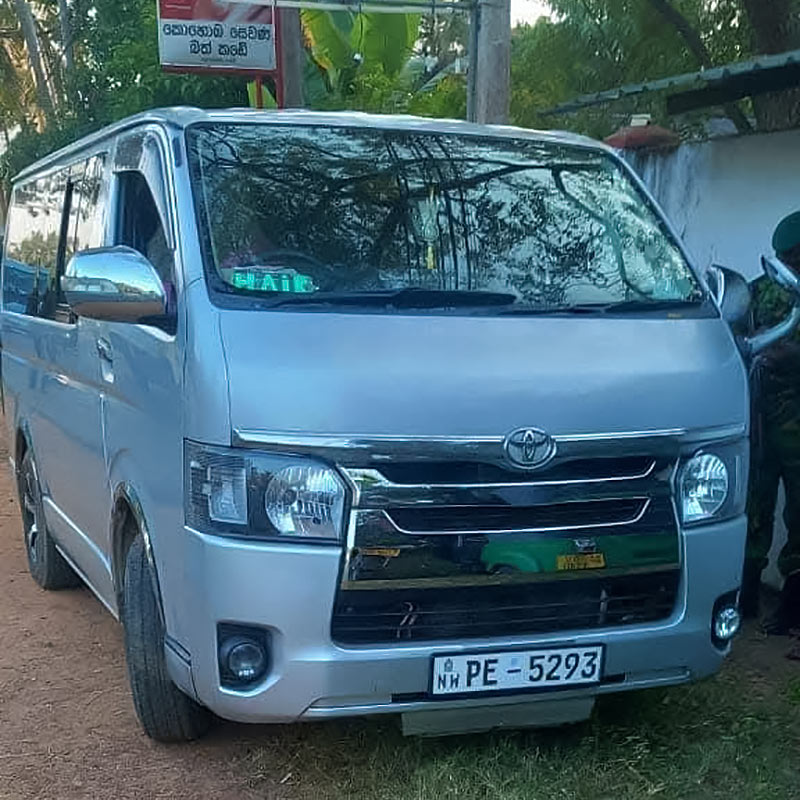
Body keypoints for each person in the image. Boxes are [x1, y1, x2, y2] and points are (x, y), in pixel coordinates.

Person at [741, 211, 800, 634]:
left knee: (760, 509)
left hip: (763, 423)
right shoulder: (756, 292)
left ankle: (762, 602)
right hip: (770, 425)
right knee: (759, 509)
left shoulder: (753, 291)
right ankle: (757, 601)